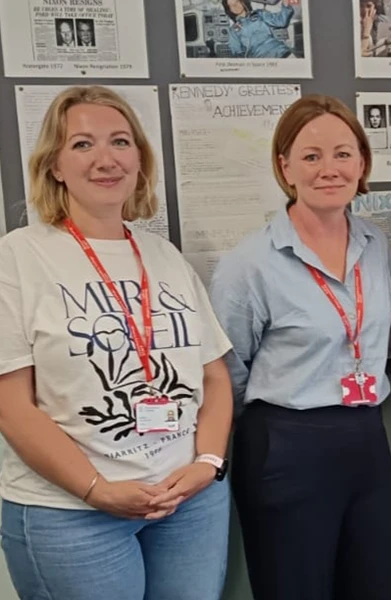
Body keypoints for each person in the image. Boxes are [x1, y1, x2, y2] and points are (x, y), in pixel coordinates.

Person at [0, 86, 233, 600]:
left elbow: (214, 376)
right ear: (55, 164)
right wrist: (96, 489)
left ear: (139, 159)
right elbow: (11, 405)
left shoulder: (165, 256)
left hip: (188, 504)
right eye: (82, 144)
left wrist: (208, 464)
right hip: (72, 514)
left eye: (120, 142)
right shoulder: (17, 258)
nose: (106, 159)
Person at [209, 94, 391, 600]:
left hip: (366, 439)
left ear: (362, 163)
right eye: (311, 156)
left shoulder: (376, 246)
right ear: (285, 166)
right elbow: (226, 374)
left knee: (382, 587)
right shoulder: (250, 264)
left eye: (343, 154)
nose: (329, 169)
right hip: (285, 446)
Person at [222, 0, 295, 59]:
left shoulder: (259, 14)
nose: (235, 6)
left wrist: (286, 5)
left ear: (242, 2)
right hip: (262, 62)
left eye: (236, 2)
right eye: (231, 5)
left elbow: (281, 21)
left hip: (282, 53)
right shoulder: (233, 31)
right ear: (229, 9)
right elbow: (237, 54)